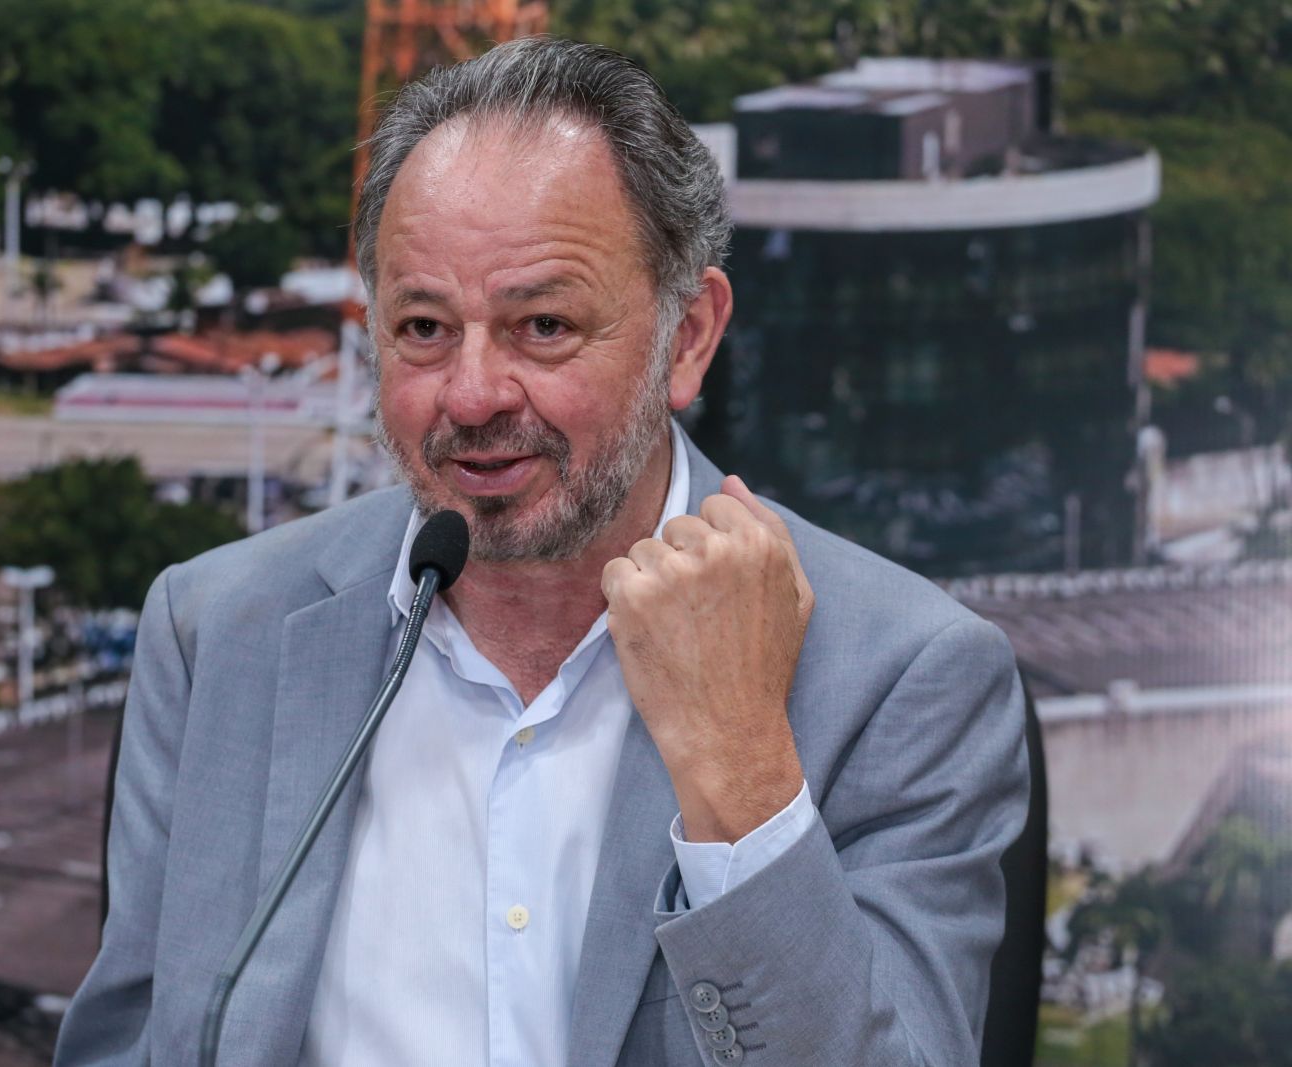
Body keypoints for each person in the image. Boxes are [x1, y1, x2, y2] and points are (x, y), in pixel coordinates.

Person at [55, 36, 1029, 1067]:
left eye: (544, 324)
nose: (473, 395)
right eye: (423, 327)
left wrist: (743, 771)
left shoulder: (903, 674)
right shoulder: (217, 629)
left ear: (687, 335)